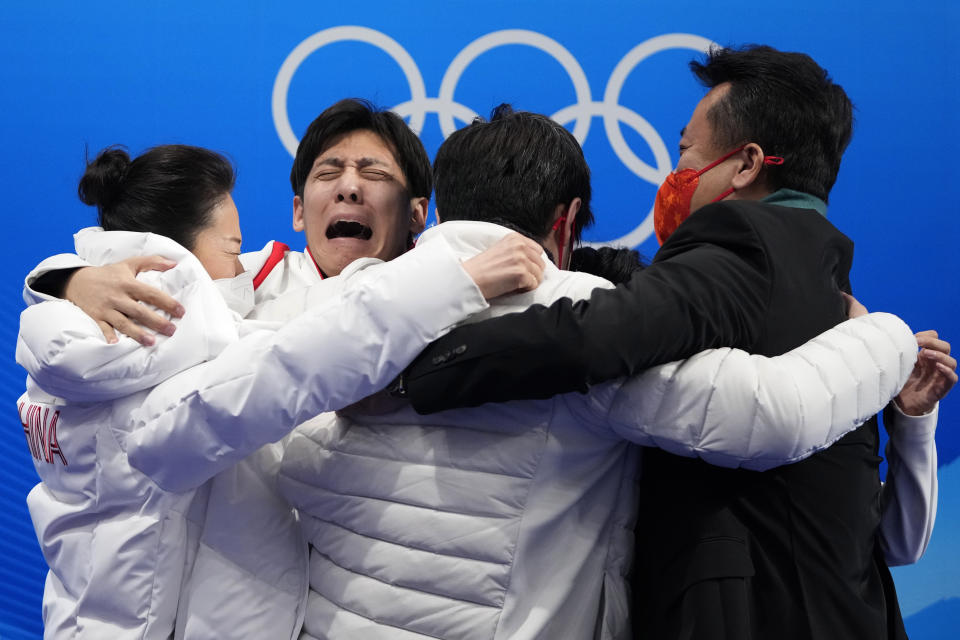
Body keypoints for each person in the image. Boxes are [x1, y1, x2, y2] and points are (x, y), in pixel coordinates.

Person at [274, 105, 929, 640]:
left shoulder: (330, 308)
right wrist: (886, 334)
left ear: (438, 208)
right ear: (565, 224)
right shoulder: (597, 333)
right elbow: (776, 414)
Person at [17, 140, 545, 640]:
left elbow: (300, 327)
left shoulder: (78, 332)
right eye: (232, 248)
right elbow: (297, 363)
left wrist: (64, 277)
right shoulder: (157, 386)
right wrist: (456, 281)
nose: (241, 272)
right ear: (170, 265)